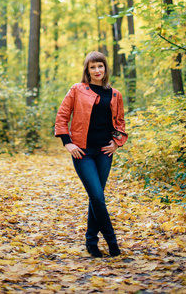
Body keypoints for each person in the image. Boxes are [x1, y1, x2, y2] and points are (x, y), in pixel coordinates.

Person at [55, 51, 128, 258]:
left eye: (100, 66)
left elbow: (119, 124)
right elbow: (62, 115)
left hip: (104, 153)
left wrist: (116, 142)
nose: (97, 70)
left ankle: (91, 242)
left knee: (96, 198)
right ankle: (112, 242)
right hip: (82, 152)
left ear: (105, 68)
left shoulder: (115, 94)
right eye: (93, 67)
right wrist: (67, 143)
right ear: (87, 70)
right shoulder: (77, 89)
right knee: (97, 196)